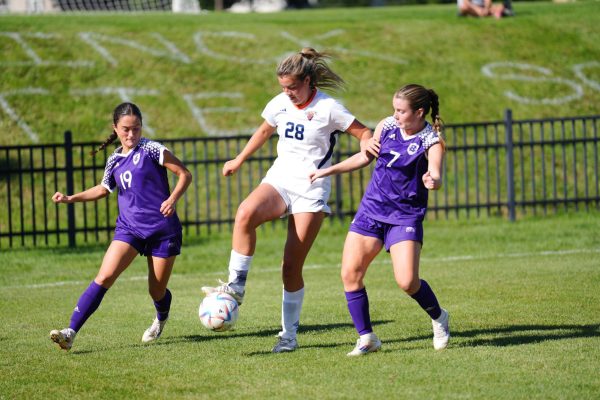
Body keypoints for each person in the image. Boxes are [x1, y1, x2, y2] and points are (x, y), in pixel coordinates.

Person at [202, 47, 372, 353]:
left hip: (312, 188)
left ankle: (289, 336)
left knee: (290, 267)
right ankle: (236, 286)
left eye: (292, 87)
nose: (288, 93)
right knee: (244, 214)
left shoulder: (329, 107)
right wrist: (238, 159)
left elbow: (362, 132)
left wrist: (369, 142)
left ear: (307, 81)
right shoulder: (280, 103)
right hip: (280, 179)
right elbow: (265, 130)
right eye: (283, 87)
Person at [309, 84, 450, 356]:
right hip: (371, 211)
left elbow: (436, 172)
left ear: (419, 112)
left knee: (407, 282)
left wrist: (433, 180)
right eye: (394, 109)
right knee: (350, 274)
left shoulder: (431, 141)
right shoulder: (386, 126)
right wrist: (327, 171)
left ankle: (439, 317)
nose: (395, 115)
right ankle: (367, 338)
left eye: (401, 111)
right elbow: (365, 156)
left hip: (404, 216)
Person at [49, 102, 192, 351]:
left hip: (162, 229)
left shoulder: (152, 149)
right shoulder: (114, 159)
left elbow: (184, 174)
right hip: (130, 229)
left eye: (136, 129)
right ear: (115, 128)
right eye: (125, 129)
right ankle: (70, 332)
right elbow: (103, 189)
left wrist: (172, 199)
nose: (131, 134)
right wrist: (71, 198)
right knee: (104, 276)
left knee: (156, 290)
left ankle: (161, 317)